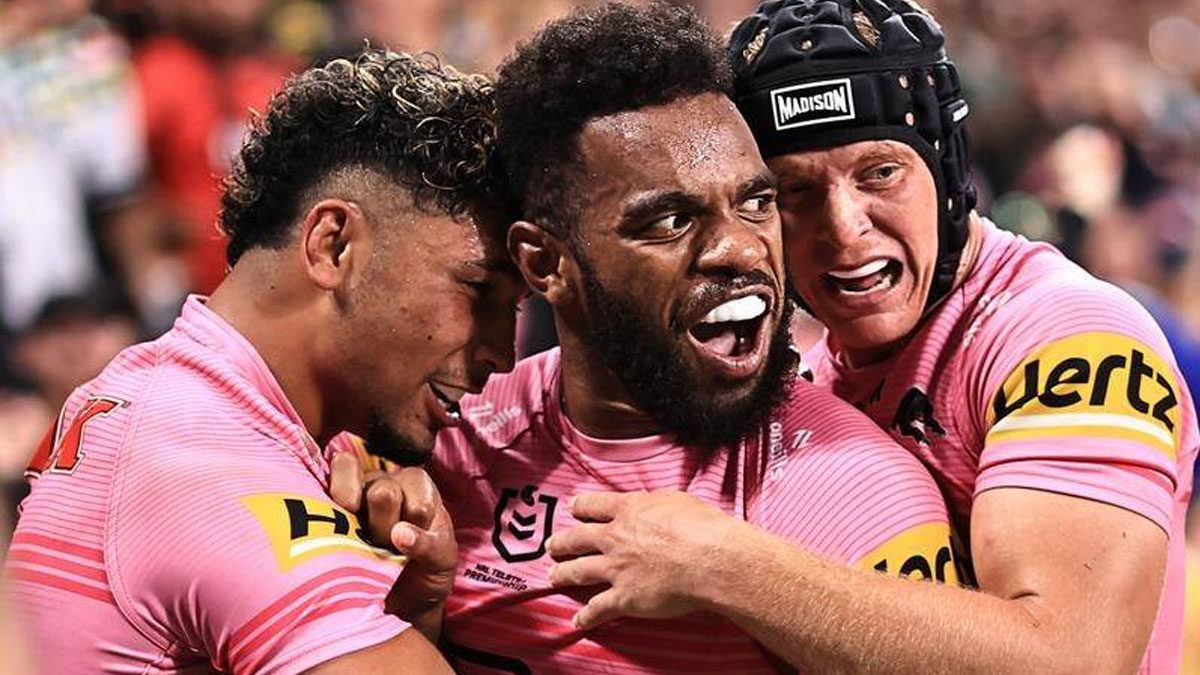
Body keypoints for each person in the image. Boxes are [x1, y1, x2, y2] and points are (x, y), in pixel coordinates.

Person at [538, 1, 1198, 673]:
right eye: (793, 191)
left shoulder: (1071, 338)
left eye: (880, 172)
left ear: (947, 171)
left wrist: (721, 564)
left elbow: (1071, 661)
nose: (845, 229)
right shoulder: (812, 376)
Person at [332, 4, 956, 673]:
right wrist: (415, 598)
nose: (740, 248)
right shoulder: (448, 443)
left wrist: (729, 572)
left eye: (756, 203)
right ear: (545, 263)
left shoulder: (854, 487)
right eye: (670, 221)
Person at [5, 47, 523, 674]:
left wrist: (416, 602)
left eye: (516, 309)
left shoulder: (168, 398)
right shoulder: (204, 463)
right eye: (478, 291)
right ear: (333, 245)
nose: (502, 352)